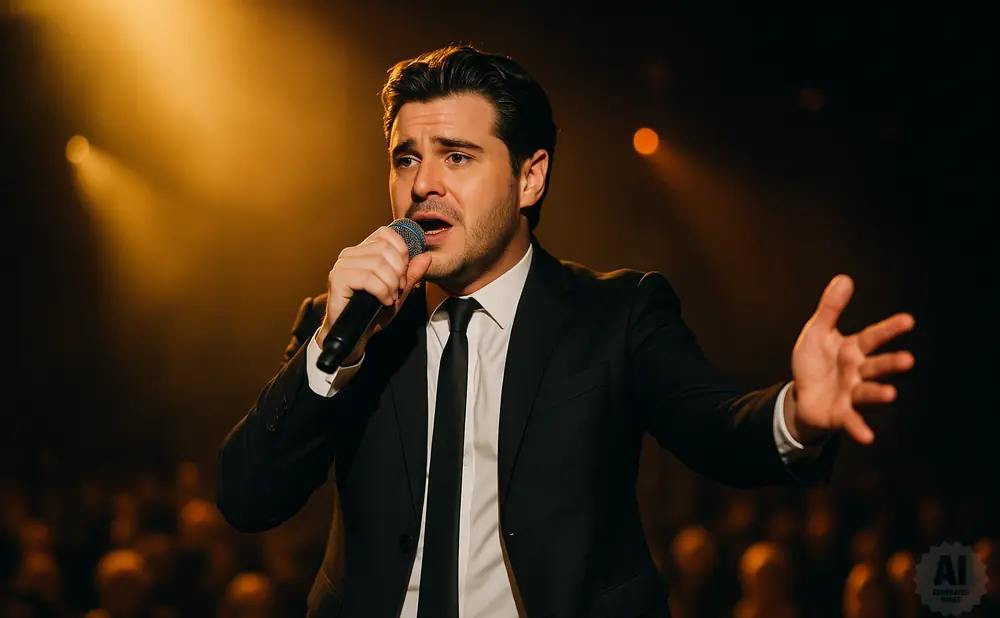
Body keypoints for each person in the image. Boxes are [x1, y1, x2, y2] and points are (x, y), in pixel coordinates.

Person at [215, 45, 915, 618]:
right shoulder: (346, 325)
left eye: (457, 156)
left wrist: (797, 413)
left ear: (530, 178)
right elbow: (248, 499)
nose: (423, 182)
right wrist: (331, 351)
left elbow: (716, 427)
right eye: (406, 158)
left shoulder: (615, 314)